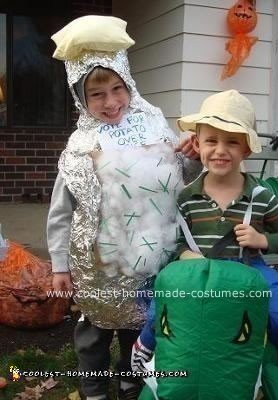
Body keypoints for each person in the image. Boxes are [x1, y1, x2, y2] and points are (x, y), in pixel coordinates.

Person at [47, 15, 200, 400]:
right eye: (97, 94)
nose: (111, 102)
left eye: (118, 88)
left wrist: (194, 157)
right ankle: (94, 390)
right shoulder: (79, 147)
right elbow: (61, 212)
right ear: (80, 97)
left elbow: (181, 178)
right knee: (94, 332)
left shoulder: (154, 126)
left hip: (147, 256)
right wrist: (60, 265)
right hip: (97, 262)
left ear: (129, 84)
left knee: (140, 326)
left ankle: (132, 382)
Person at [132, 89, 278, 375]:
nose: (220, 150)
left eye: (232, 142)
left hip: (249, 269)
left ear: (246, 149)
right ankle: (145, 348)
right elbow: (173, 241)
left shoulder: (260, 195)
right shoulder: (187, 197)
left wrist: (263, 240)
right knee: (163, 303)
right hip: (198, 270)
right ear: (197, 144)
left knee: (277, 312)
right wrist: (184, 254)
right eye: (211, 141)